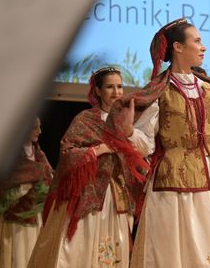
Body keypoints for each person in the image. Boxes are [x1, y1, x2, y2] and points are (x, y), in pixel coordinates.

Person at [100, 18, 210, 268]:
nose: (203, 47)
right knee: (175, 254)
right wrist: (130, 131)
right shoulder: (159, 92)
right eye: (197, 41)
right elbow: (145, 146)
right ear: (178, 47)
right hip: (174, 187)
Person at [27, 67, 155, 268]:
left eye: (120, 87)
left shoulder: (128, 119)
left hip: (116, 195)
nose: (116, 92)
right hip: (88, 193)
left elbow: (144, 150)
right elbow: (68, 152)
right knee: (80, 246)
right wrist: (98, 150)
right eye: (110, 87)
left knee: (112, 248)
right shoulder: (85, 119)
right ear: (97, 91)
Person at [0, 117, 53, 268]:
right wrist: (31, 183)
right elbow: (7, 184)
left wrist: (41, 185)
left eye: (39, 127)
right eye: (34, 128)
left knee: (32, 252)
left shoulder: (39, 154)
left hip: (33, 213)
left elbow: (49, 177)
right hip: (14, 216)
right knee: (17, 257)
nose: (40, 131)